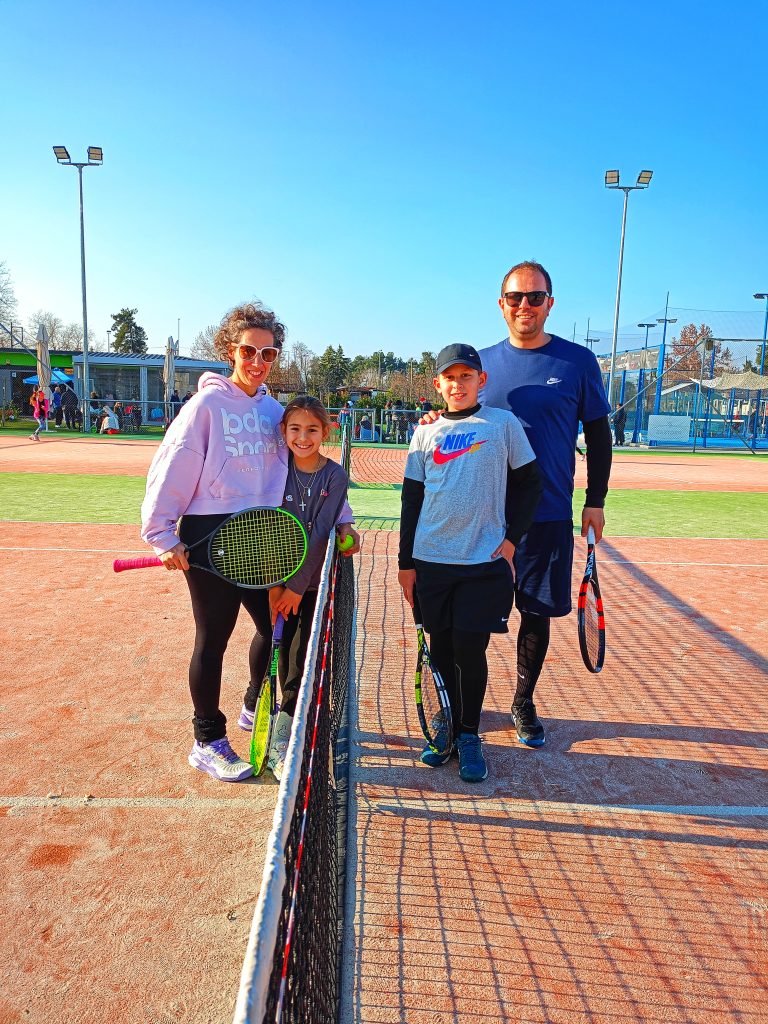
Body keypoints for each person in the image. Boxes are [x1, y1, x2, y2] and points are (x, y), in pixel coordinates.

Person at [140, 302, 358, 784]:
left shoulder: (275, 412)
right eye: (248, 350)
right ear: (229, 350)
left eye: (269, 352)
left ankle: (252, 705)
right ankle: (207, 740)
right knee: (212, 638)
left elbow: (310, 467)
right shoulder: (206, 406)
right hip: (209, 536)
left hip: (264, 533)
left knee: (273, 625)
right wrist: (162, 534)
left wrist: (342, 518)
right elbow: (172, 465)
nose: (258, 360)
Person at [420, 261, 612, 748]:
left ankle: (523, 700)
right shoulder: (480, 366)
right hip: (479, 519)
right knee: (465, 624)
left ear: (550, 303)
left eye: (534, 297)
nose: (524, 306)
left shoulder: (578, 363)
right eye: (515, 297)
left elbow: (599, 434)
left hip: (546, 514)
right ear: (500, 303)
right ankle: (459, 709)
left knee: (536, 613)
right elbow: (455, 410)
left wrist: (596, 500)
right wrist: (434, 417)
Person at [398, 344, 541, 782]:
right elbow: (411, 499)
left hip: (482, 564)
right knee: (439, 650)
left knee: (468, 650)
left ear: (482, 381)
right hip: (431, 561)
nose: (457, 384)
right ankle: (446, 723)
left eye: (466, 376)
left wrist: (512, 542)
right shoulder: (424, 433)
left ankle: (468, 734)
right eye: (449, 377)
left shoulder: (502, 424)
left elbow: (530, 484)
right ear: (437, 384)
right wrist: (406, 561)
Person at [238, 396, 351, 779]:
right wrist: (274, 585)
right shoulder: (273, 468)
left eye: (312, 430)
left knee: (301, 650)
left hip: (310, 581)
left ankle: (286, 720)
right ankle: (256, 703)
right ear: (283, 432)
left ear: (325, 432)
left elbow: (321, 532)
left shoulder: (335, 476)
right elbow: (265, 523)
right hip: (271, 575)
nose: (303, 437)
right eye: (295, 429)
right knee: (271, 639)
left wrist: (297, 588)